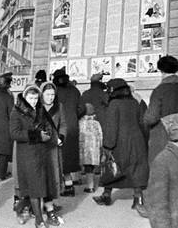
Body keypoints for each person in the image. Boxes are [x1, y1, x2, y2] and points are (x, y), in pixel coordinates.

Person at [94, 78, 149, 217]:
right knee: (136, 169)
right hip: (137, 141)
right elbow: (143, 123)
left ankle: (106, 195)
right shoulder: (134, 103)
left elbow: (111, 127)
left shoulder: (114, 104)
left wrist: (107, 146)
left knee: (112, 167)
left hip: (120, 142)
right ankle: (138, 200)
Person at [10, 84, 63, 227]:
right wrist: (36, 135)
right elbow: (14, 133)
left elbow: (49, 126)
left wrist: (50, 135)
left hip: (42, 153)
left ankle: (22, 208)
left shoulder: (40, 110)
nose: (33, 101)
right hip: (27, 154)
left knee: (41, 185)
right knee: (35, 187)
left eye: (35, 98)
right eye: (30, 98)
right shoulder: (17, 111)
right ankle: (39, 220)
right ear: (25, 97)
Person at [144, 55, 178, 163]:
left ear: (161, 70)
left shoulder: (159, 90)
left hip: (163, 138)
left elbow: (151, 118)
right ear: (176, 69)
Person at [52, 67, 82, 196]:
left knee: (58, 157)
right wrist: (74, 116)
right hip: (73, 126)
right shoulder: (75, 91)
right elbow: (81, 108)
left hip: (59, 127)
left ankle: (60, 186)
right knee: (69, 158)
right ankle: (69, 186)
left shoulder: (54, 92)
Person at [78, 103, 102, 193]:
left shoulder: (80, 122)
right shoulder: (96, 123)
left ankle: (88, 185)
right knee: (90, 167)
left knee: (86, 166)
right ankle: (91, 186)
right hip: (94, 149)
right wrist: (100, 146)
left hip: (84, 149)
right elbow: (100, 136)